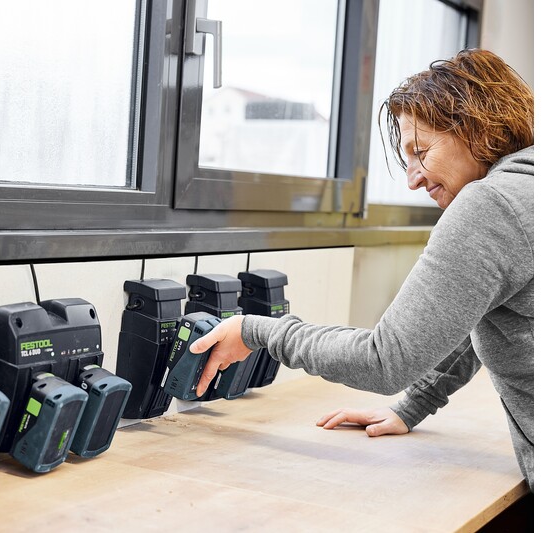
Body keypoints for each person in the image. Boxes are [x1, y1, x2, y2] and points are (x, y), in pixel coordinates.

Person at [189, 48, 535, 492]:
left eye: (420, 151)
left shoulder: (493, 205)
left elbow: (383, 360)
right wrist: (413, 406)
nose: (412, 178)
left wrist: (255, 331)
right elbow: (479, 311)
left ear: (478, 129)